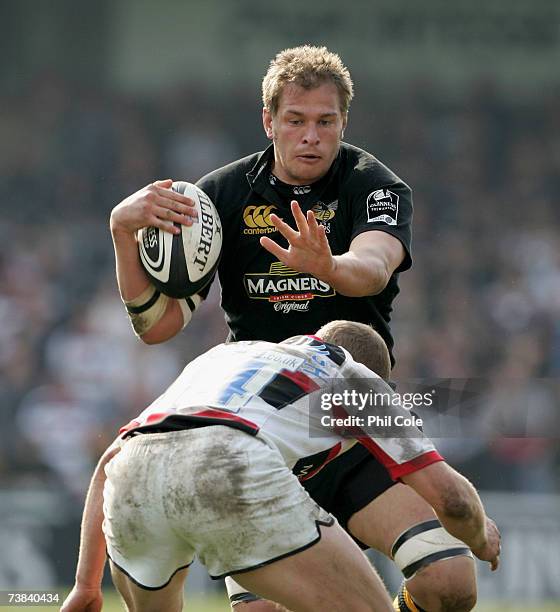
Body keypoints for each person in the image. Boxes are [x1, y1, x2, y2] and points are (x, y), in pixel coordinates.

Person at [108, 46, 483, 611]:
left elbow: (374, 266)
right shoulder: (220, 197)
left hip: (356, 413)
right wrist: (121, 233)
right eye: (296, 120)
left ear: (343, 123)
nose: (311, 136)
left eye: (325, 122)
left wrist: (328, 266)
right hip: (259, 429)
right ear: (269, 122)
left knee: (450, 586)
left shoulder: (372, 184)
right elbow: (158, 326)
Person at [61, 322, 500, 612]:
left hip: (134, 473)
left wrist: (85, 585)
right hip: (227, 461)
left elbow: (110, 460)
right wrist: (481, 537)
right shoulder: (352, 376)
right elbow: (454, 501)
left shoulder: (221, 356)